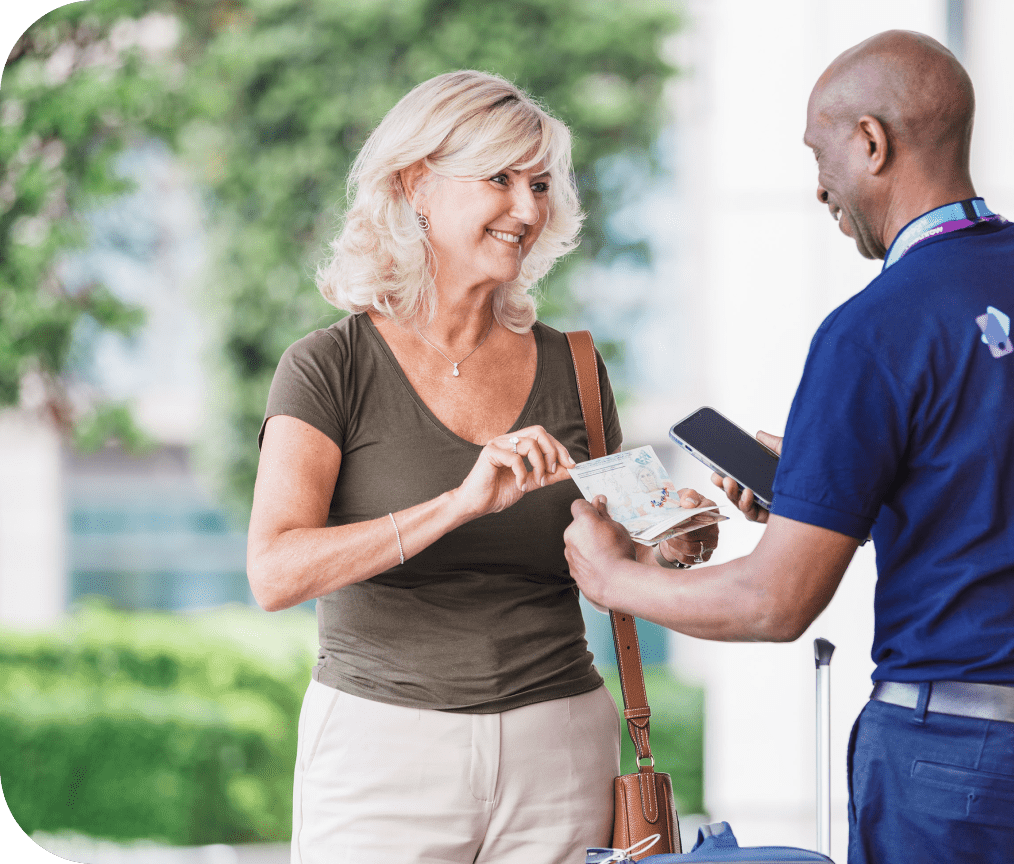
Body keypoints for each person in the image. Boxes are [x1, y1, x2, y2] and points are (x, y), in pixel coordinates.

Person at [564, 30, 1014, 864]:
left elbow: (775, 604)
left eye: (821, 156)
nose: (819, 190)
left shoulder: (875, 328)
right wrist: (829, 481)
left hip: (962, 772)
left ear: (872, 142)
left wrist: (613, 580)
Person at [246, 70, 719, 864]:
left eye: (539, 184)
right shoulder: (328, 367)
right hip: (381, 753)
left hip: (561, 745)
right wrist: (456, 504)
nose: (527, 209)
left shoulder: (573, 365)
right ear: (416, 185)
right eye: (498, 179)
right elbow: (274, 571)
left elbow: (613, 552)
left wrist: (670, 539)